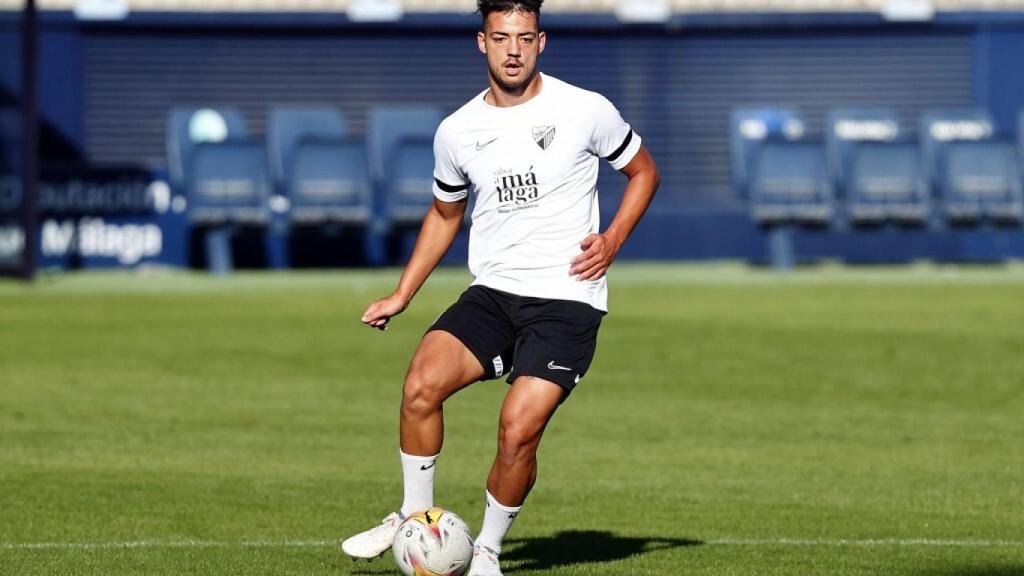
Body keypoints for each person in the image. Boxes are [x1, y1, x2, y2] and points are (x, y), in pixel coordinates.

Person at [340, 0, 659, 573]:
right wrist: (402, 294)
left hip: (566, 300)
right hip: (493, 294)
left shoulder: (585, 109)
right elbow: (443, 215)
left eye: (524, 37)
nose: (513, 48)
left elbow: (644, 172)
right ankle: (414, 521)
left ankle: (485, 550)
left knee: (517, 430)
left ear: (542, 42)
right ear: (481, 43)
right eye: (501, 36)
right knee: (420, 386)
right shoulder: (457, 130)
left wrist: (611, 241)